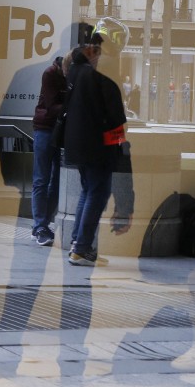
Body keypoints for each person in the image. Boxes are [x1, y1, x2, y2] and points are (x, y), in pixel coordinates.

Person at [63, 32, 130, 266]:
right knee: (98, 193)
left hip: (78, 142)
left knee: (87, 191)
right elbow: (113, 110)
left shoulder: (75, 69)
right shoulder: (105, 66)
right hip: (98, 143)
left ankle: (77, 245)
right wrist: (120, 136)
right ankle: (81, 249)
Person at [30, 53, 69, 246]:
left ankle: (43, 224)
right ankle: (40, 226)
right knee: (41, 179)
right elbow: (51, 105)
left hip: (60, 129)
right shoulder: (50, 73)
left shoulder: (68, 74)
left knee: (56, 181)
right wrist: (73, 107)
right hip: (45, 128)